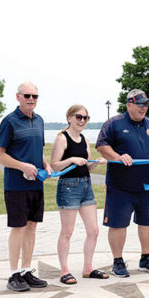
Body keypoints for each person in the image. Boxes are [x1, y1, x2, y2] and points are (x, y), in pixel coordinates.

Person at [95, 89, 149, 277]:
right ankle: (117, 261)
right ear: (129, 104)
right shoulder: (114, 124)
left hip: (147, 186)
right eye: (140, 104)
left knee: (148, 222)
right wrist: (118, 156)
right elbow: (102, 145)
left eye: (146, 104)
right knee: (118, 224)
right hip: (120, 186)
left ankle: (146, 258)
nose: (144, 108)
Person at [0, 81, 51, 292]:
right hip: (16, 186)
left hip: (36, 185)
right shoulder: (9, 122)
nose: (31, 99)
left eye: (35, 96)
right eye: (27, 95)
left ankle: (26, 270)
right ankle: (13, 273)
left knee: (32, 226)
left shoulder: (39, 121)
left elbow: (38, 150)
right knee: (18, 228)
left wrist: (46, 164)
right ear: (18, 97)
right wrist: (22, 167)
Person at [50, 105, 107, 284]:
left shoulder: (85, 139)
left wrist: (97, 162)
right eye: (79, 117)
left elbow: (88, 166)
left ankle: (88, 268)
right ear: (69, 118)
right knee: (67, 231)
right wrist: (71, 160)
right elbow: (54, 166)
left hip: (85, 185)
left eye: (86, 118)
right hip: (68, 186)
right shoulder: (61, 138)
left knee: (94, 230)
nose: (82, 120)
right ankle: (64, 271)